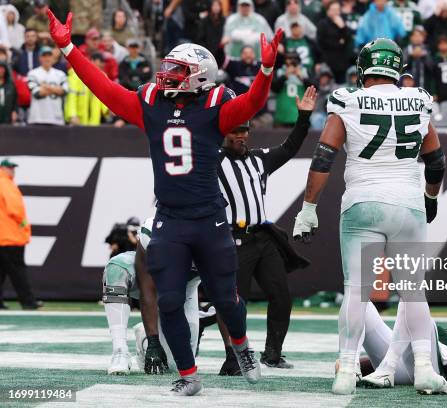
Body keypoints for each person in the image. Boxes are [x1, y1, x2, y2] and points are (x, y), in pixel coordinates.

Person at [47, 9, 283, 395]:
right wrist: (68, 48)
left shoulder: (217, 108)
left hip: (209, 218)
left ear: (200, 77)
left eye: (178, 68)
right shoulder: (152, 103)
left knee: (226, 298)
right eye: (170, 66)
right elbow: (104, 89)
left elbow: (253, 104)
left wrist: (267, 70)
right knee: (169, 298)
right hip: (170, 219)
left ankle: (241, 347)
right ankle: (189, 375)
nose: (168, 73)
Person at [292, 38, 447, 395]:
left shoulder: (348, 99)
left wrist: (308, 209)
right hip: (408, 203)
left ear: (364, 68)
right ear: (397, 68)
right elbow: (437, 161)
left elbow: (324, 157)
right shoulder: (418, 98)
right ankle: (424, 368)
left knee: (356, 292)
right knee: (413, 292)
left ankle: (347, 370)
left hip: (363, 203)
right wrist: (430, 197)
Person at [217, 87, 315, 370]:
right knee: (234, 303)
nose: (241, 136)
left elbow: (289, 148)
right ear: (222, 133)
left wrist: (304, 117)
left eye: (245, 130)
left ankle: (272, 353)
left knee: (282, 295)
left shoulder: (259, 159)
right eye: (235, 131)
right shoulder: (213, 161)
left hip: (263, 236)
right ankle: (233, 356)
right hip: (233, 239)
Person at [102, 217, 201, 375]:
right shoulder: (155, 228)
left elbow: (225, 293)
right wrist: (154, 341)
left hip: (185, 287)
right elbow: (146, 287)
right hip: (151, 276)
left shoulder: (214, 235)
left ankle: (144, 338)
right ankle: (120, 351)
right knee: (117, 268)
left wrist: (232, 350)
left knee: (174, 365)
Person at [359, 302, 447, 386]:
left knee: (413, 297)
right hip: (395, 370)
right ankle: (351, 366)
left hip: (431, 371)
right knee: (360, 300)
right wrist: (357, 364)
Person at [0, 158, 39, 310]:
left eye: (13, 168)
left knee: (1, 272)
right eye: (10, 168)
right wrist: (23, 223)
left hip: (2, 237)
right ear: (2, 169)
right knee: (18, 271)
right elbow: (15, 208)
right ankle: (28, 301)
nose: (13, 171)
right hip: (10, 236)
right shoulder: (5, 183)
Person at [65, 52, 110, 125]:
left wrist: (107, 111)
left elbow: (104, 97)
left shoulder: (103, 76)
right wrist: (72, 115)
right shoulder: (77, 74)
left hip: (94, 122)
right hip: (78, 120)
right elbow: (71, 96)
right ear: (92, 61)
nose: (103, 64)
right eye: (100, 61)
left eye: (103, 62)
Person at [26, 45, 67, 125]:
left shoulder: (60, 74)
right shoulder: (33, 73)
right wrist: (56, 89)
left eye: (49, 56)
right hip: (37, 118)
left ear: (53, 58)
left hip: (56, 118)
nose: (47, 58)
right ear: (40, 58)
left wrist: (45, 86)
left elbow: (64, 91)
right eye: (44, 56)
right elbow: (37, 93)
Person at [316, 1, 354, 83]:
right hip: (327, 63)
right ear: (328, 11)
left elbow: (349, 40)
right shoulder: (322, 24)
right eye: (333, 9)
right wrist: (339, 42)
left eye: (337, 10)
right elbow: (321, 43)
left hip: (342, 64)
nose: (336, 12)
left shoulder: (343, 22)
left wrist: (342, 27)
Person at [271, 51, 313, 126]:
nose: (292, 61)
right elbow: (274, 88)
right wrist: (285, 76)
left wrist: (302, 78)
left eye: (295, 59)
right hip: (282, 115)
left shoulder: (305, 71)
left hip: (301, 115)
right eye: (289, 58)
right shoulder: (279, 72)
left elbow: (315, 87)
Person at [0, 59, 17, 123]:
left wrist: (14, 111)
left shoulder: (10, 85)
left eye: (2, 68)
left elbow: (15, 100)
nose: (1, 70)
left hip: (7, 115)